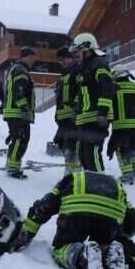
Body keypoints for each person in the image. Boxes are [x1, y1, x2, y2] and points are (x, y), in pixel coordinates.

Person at [15, 170, 135, 269]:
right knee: (104, 243)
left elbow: (43, 208)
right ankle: (108, 251)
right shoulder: (116, 184)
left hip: (78, 211)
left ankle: (82, 255)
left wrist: (24, 236)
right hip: (111, 213)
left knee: (62, 249)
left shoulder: (70, 179)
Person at [71, 33, 115, 173]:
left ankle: (99, 184)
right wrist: (77, 110)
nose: (76, 54)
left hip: (96, 118)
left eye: (77, 50)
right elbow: (83, 93)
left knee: (93, 153)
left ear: (86, 48)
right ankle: (90, 184)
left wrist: (102, 113)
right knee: (84, 156)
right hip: (85, 118)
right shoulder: (85, 67)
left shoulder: (99, 64)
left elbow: (106, 90)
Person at [3, 46, 36, 178]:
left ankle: (11, 164)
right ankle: (13, 168)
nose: (33, 60)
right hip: (18, 112)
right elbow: (19, 91)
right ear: (24, 57)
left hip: (13, 111)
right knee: (20, 140)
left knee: (17, 139)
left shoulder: (15, 69)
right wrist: (24, 108)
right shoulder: (21, 70)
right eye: (31, 57)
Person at [107, 66, 135, 185]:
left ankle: (127, 175)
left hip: (121, 125)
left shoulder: (113, 88)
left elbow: (109, 107)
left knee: (121, 149)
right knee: (133, 148)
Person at [53, 46, 81, 174]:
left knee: (72, 146)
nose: (61, 63)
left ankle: (72, 174)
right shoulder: (64, 74)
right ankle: (71, 171)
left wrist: (76, 108)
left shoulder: (77, 71)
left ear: (70, 57)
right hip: (63, 118)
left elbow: (81, 92)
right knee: (61, 143)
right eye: (59, 61)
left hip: (73, 117)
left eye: (63, 59)